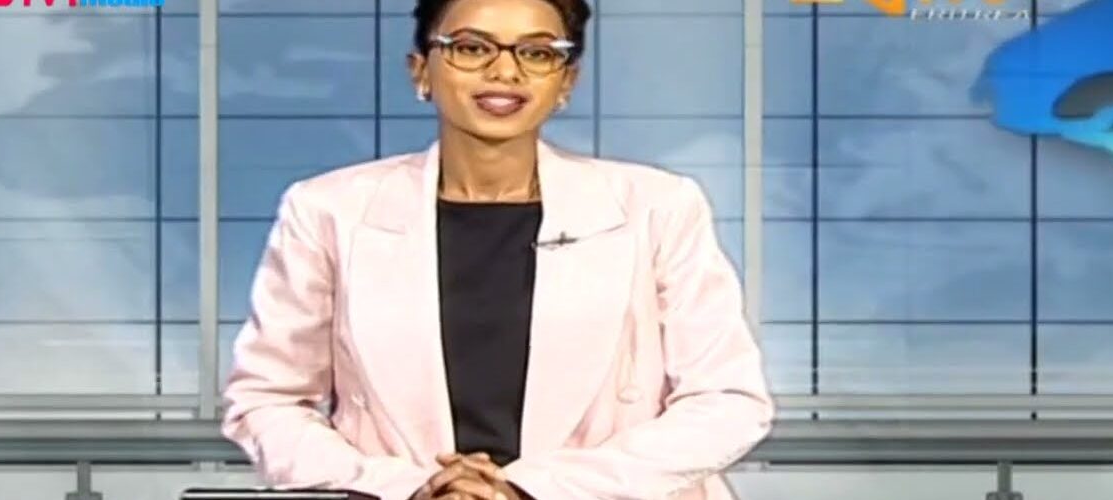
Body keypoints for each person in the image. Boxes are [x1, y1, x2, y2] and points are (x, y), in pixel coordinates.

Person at [220, 0, 776, 498]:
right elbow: (268, 400)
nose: (505, 70)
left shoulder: (657, 206)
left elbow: (727, 400)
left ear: (566, 80)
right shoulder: (328, 210)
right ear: (421, 71)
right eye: (470, 47)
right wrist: (409, 489)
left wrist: (530, 489)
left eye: (537, 52)